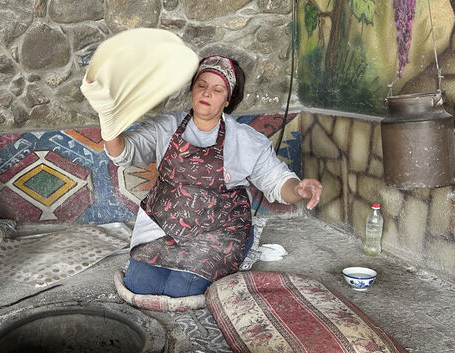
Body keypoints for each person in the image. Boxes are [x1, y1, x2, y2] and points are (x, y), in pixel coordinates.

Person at [103, 55, 323, 297]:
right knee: (141, 287)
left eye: (217, 89)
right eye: (201, 85)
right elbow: (123, 153)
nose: (207, 93)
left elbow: (278, 182)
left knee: (181, 290)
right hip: (163, 227)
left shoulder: (244, 140)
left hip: (219, 233)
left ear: (227, 100)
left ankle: (243, 247)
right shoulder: (165, 127)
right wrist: (108, 119)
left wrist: (298, 189)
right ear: (192, 90)